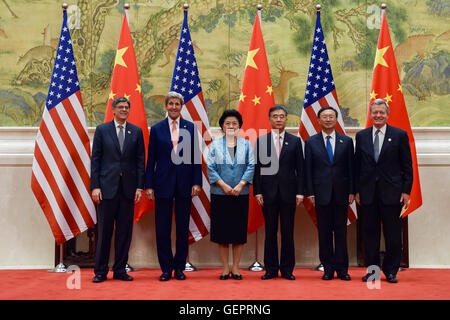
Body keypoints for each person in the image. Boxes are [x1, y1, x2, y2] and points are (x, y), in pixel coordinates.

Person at [145, 91, 202, 282]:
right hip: (162, 185)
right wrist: (149, 185)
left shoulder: (190, 128)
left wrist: (196, 182)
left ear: (181, 106)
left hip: (185, 185)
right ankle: (165, 269)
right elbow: (150, 159)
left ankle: (179, 268)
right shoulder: (157, 129)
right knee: (162, 229)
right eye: (171, 104)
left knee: (182, 229)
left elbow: (195, 157)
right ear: (166, 106)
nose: (174, 107)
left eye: (177, 104)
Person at [355, 98, 413, 284]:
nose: (378, 115)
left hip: (392, 194)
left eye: (381, 112)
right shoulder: (361, 136)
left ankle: (390, 271)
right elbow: (357, 166)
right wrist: (356, 190)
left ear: (387, 115)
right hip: (368, 194)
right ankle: (372, 272)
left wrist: (406, 191)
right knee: (370, 235)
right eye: (375, 112)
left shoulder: (399, 135)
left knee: (393, 236)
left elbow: (407, 166)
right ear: (370, 114)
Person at [90, 96, 145, 283]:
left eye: (126, 107)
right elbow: (95, 161)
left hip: (128, 190)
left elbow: (140, 162)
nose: (123, 110)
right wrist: (95, 186)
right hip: (106, 189)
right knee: (105, 232)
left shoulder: (136, 132)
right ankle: (100, 271)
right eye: (120, 107)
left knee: (124, 232)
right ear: (113, 110)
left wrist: (139, 187)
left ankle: (120, 269)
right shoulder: (102, 130)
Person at [253, 106, 304, 280]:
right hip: (268, 194)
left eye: (282, 116)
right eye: (275, 116)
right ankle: (271, 269)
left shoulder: (295, 141)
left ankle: (287, 269)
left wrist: (300, 193)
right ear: (269, 119)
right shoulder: (261, 141)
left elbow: (301, 170)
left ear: (286, 119)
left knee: (288, 232)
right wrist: (257, 192)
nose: (279, 119)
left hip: (289, 194)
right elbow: (256, 169)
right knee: (270, 232)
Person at [304, 106, 355, 281]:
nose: (327, 119)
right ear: (318, 120)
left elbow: (351, 169)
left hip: (341, 194)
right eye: (324, 117)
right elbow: (308, 171)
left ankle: (342, 270)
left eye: (331, 116)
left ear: (336, 119)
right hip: (320, 194)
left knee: (341, 233)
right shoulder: (311, 142)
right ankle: (327, 269)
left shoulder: (346, 141)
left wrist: (351, 191)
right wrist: (309, 192)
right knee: (324, 233)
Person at [206, 109, 254, 280]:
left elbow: (251, 166)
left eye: (234, 123)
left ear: (239, 126)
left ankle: (236, 268)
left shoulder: (247, 144)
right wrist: (224, 186)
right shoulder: (214, 145)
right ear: (222, 126)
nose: (231, 126)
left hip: (241, 193)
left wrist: (241, 184)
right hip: (220, 193)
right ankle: (225, 268)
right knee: (223, 233)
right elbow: (210, 168)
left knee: (238, 233)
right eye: (228, 123)